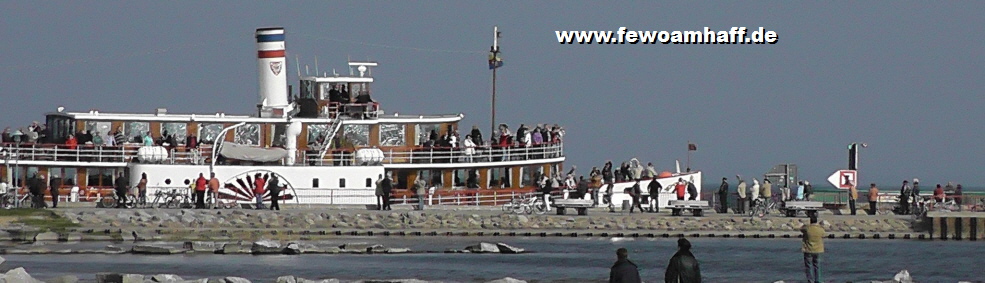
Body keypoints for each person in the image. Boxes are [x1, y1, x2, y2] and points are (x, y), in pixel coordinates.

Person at [801, 215, 825, 283]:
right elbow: (823, 233)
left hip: (808, 249)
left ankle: (810, 280)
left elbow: (801, 229)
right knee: (817, 266)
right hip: (818, 250)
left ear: (810, 221)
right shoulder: (820, 229)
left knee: (808, 266)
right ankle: (818, 280)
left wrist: (805, 224)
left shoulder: (807, 228)